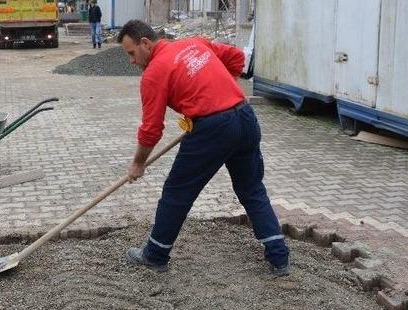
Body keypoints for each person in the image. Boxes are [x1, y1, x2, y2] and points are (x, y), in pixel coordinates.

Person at [118, 20, 290, 277]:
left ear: (145, 43)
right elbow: (235, 57)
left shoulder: (154, 73)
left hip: (213, 129)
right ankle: (279, 257)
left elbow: (151, 129)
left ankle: (155, 254)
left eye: (131, 53)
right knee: (252, 188)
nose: (132, 61)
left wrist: (139, 163)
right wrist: (221, 90)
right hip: (244, 117)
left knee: (177, 192)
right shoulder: (194, 43)